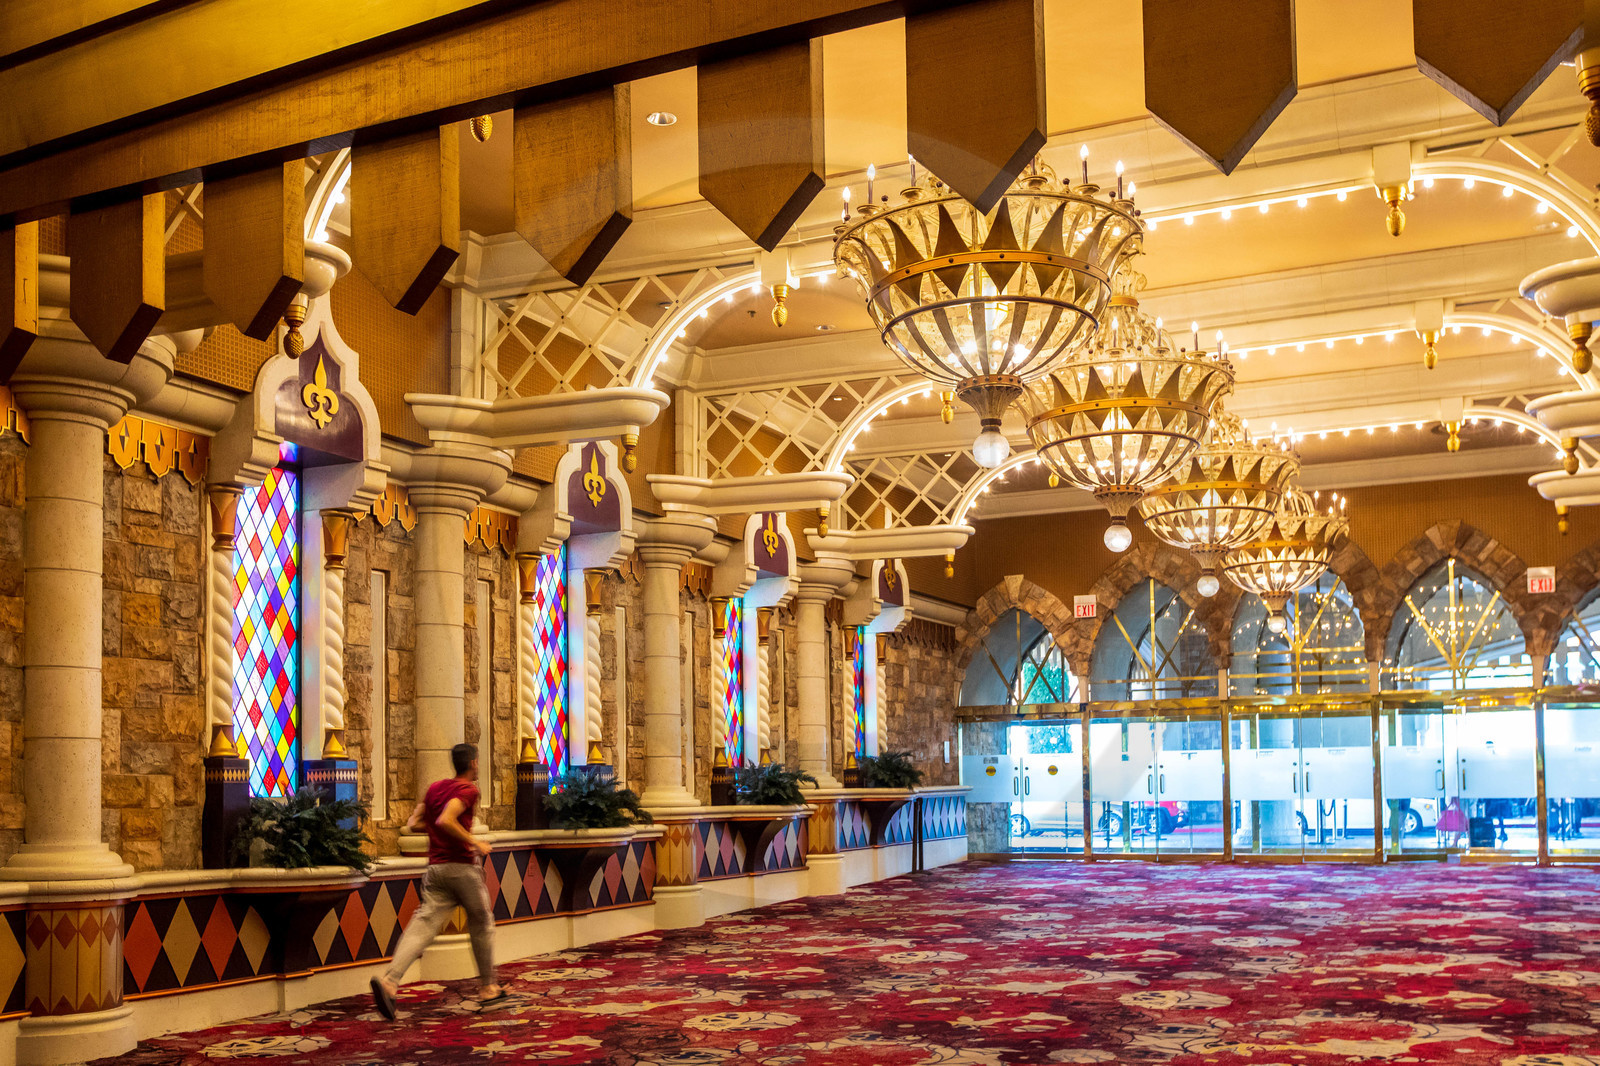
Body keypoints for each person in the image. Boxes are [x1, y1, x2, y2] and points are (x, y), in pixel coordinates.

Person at [371, 743, 504, 1018]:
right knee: (482, 923)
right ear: (473, 763)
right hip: (462, 869)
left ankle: (390, 982)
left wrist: (438, 828)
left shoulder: (434, 788)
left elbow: (414, 823)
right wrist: (473, 841)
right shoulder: (468, 789)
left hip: (436, 870)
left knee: (423, 924)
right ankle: (488, 988)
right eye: (478, 761)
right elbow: (446, 819)